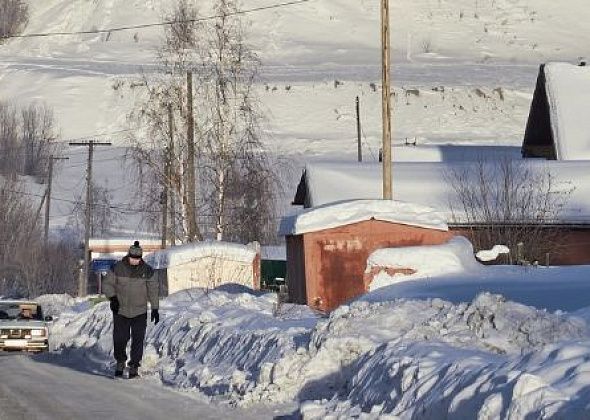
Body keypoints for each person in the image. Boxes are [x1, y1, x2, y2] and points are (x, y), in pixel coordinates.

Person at [103, 241, 160, 378]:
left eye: (137, 259)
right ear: (128, 256)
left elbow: (153, 290)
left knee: (138, 340)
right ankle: (120, 361)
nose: (134, 261)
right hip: (120, 310)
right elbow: (107, 284)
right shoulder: (117, 268)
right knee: (119, 338)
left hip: (139, 311)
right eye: (132, 258)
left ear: (141, 258)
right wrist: (113, 298)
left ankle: (134, 365)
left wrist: (155, 308)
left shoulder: (148, 271)